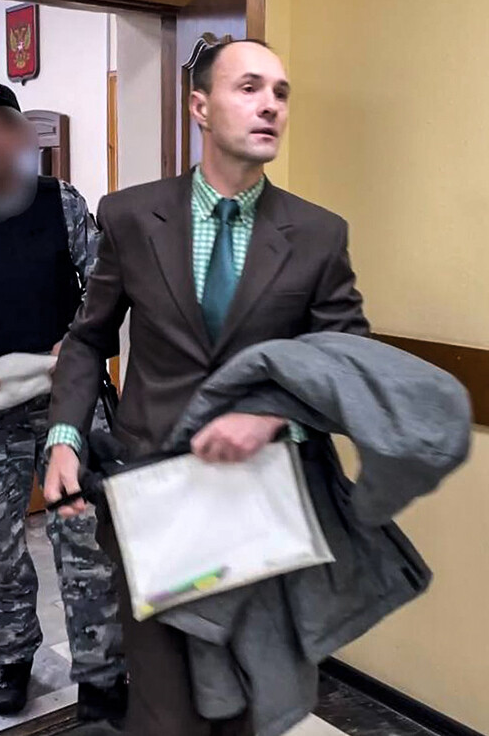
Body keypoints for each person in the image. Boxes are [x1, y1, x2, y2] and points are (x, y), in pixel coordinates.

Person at [44, 40, 370, 735]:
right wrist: (65, 438)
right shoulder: (131, 217)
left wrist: (273, 416)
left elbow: (346, 361)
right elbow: (88, 338)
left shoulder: (317, 235)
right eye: (249, 88)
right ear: (200, 106)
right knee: (165, 709)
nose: (270, 105)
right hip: (157, 499)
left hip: (264, 503)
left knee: (250, 705)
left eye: (281, 93)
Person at [0, 81, 126, 721]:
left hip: (67, 400)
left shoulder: (59, 202)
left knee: (83, 534)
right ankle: (13, 657)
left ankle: (101, 669)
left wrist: (75, 343)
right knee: (0, 547)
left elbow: (105, 286)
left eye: (7, 126)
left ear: (22, 136)